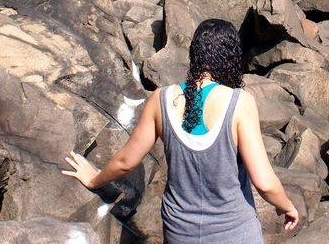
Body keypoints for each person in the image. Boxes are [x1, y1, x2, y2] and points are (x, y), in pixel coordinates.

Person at [63, 19, 299, 243]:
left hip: (180, 231)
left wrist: (94, 180)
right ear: (231, 58)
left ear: (194, 55)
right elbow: (264, 183)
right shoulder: (239, 103)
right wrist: (286, 205)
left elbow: (126, 161)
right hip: (233, 231)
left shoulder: (161, 99)